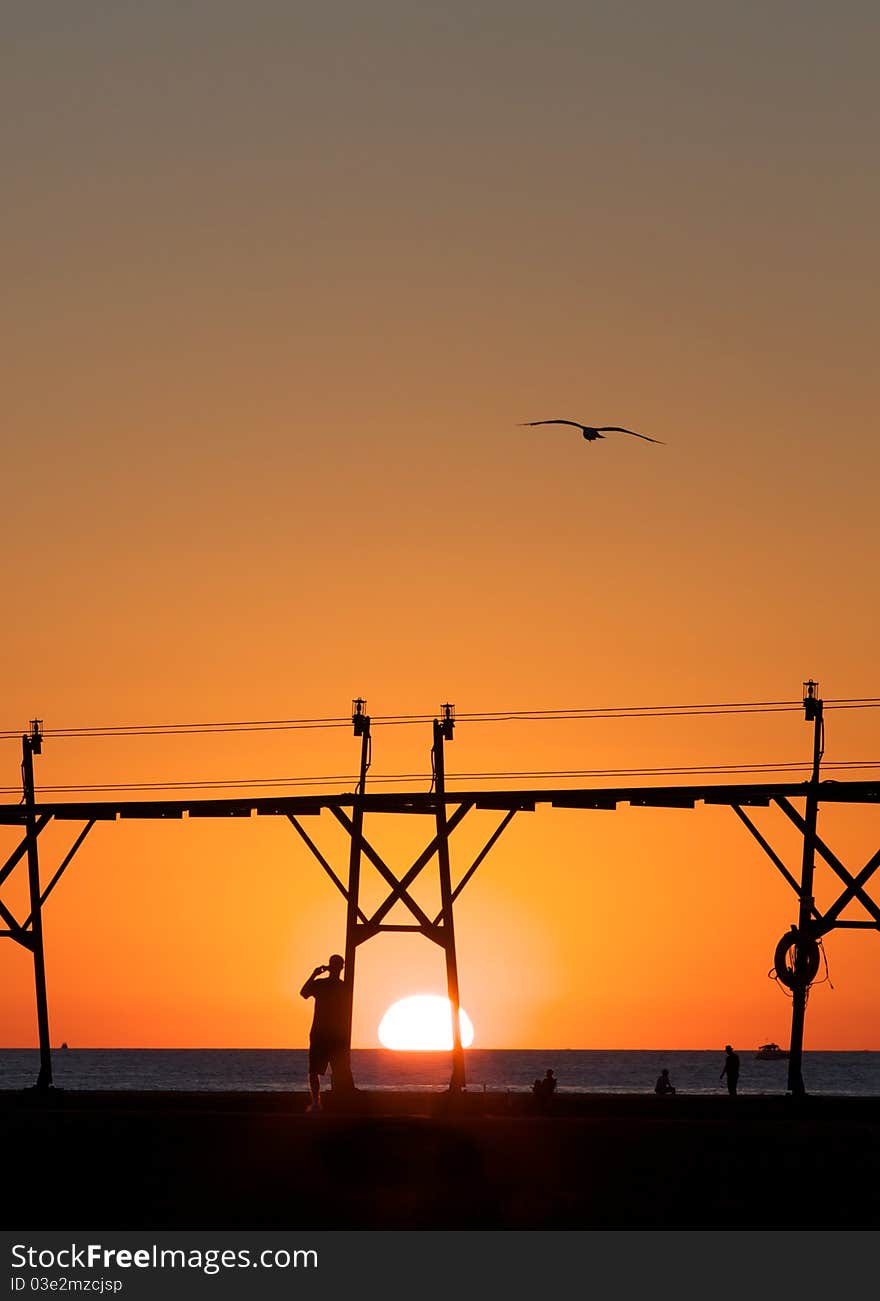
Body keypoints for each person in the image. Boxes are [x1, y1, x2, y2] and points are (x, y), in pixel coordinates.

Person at [300, 954, 354, 1109]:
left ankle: (317, 1102)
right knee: (330, 1068)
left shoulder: (325, 985)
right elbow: (303, 994)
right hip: (331, 1033)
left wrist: (314, 974)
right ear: (341, 967)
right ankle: (319, 1102)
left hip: (325, 1033)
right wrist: (315, 975)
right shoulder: (340, 986)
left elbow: (303, 993)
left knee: (317, 1070)